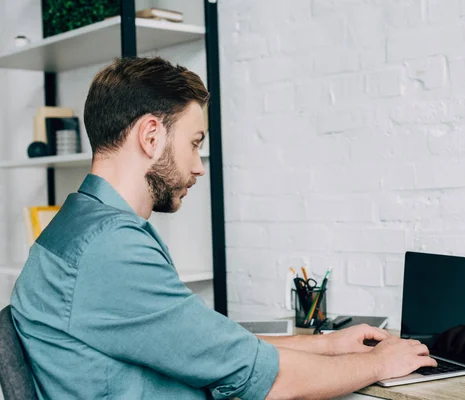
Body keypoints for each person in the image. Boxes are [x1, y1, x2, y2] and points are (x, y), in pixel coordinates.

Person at [10, 57, 436, 399]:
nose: (198, 166)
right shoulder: (109, 250)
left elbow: (215, 347)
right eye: (194, 143)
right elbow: (266, 380)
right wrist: (381, 364)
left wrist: (328, 345)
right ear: (151, 135)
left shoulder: (74, 229)